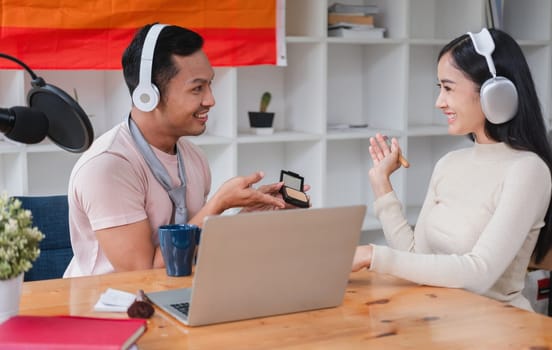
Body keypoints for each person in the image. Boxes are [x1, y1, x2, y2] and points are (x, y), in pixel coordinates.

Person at [63, 23, 295, 277]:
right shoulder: (107, 168)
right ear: (147, 95)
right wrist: (217, 203)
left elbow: (195, 247)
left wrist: (247, 214)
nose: (211, 100)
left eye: (209, 85)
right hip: (111, 308)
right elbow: (142, 275)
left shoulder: (193, 157)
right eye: (197, 88)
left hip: (176, 297)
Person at [352, 27, 552, 312]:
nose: (439, 102)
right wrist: (381, 184)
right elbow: (415, 258)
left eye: (448, 88)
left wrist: (373, 255)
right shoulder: (449, 163)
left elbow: (480, 274)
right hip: (439, 317)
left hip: (501, 327)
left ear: (495, 93)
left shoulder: (528, 170)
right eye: (439, 88)